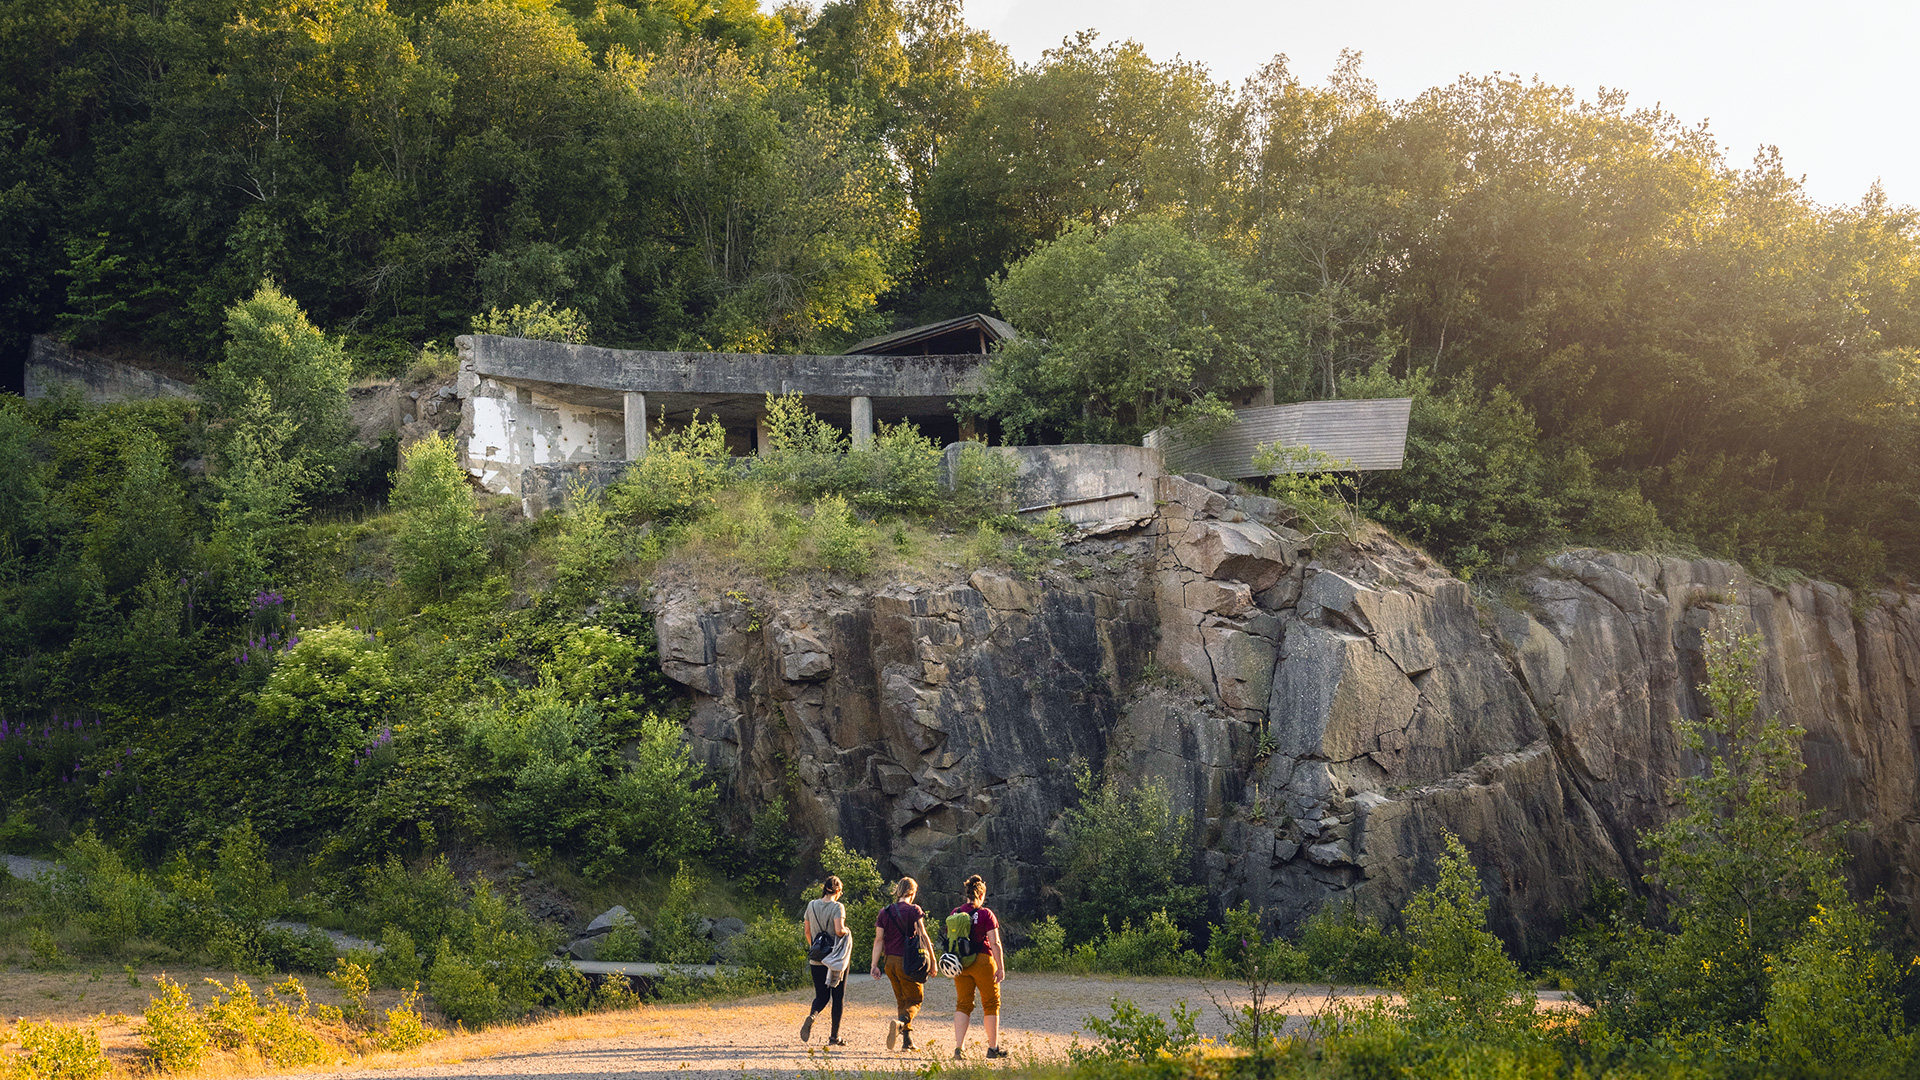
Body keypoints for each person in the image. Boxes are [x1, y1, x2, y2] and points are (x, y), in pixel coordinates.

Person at [870, 876, 935, 1051]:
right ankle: (901, 1023)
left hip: (890, 962)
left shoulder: (885, 912)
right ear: (912, 892)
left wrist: (874, 965)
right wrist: (933, 961)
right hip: (909, 962)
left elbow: (878, 940)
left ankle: (907, 1041)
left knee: (902, 1001)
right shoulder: (914, 910)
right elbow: (923, 935)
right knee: (915, 999)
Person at [947, 874, 1006, 1060]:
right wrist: (1001, 967)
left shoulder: (955, 913)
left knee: (963, 1004)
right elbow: (995, 942)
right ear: (981, 895)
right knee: (990, 1003)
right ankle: (992, 1049)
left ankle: (959, 1049)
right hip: (982, 961)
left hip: (961, 963)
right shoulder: (986, 914)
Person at [799, 875, 851, 1045]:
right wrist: (847, 931)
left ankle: (813, 1015)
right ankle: (834, 1037)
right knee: (837, 997)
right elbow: (838, 930)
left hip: (817, 959)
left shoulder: (811, 905)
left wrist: (815, 948)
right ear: (837, 891)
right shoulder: (838, 907)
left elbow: (807, 931)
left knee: (821, 996)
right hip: (834, 959)